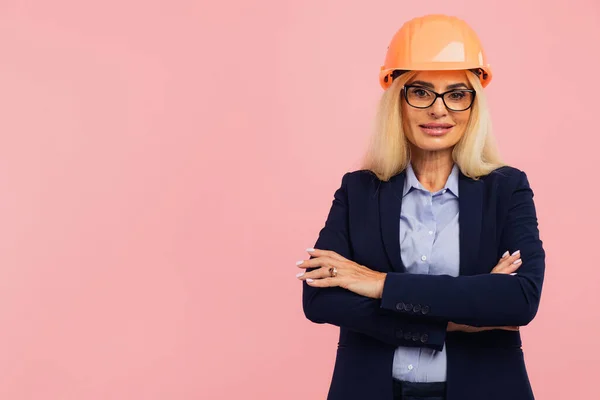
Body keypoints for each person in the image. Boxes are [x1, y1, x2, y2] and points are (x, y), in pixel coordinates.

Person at [295, 14, 545, 400]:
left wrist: (378, 284)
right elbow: (319, 296)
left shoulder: (507, 189)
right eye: (421, 92)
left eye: (457, 94)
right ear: (397, 99)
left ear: (474, 104)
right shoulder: (358, 191)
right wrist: (454, 319)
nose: (439, 110)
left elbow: (520, 300)